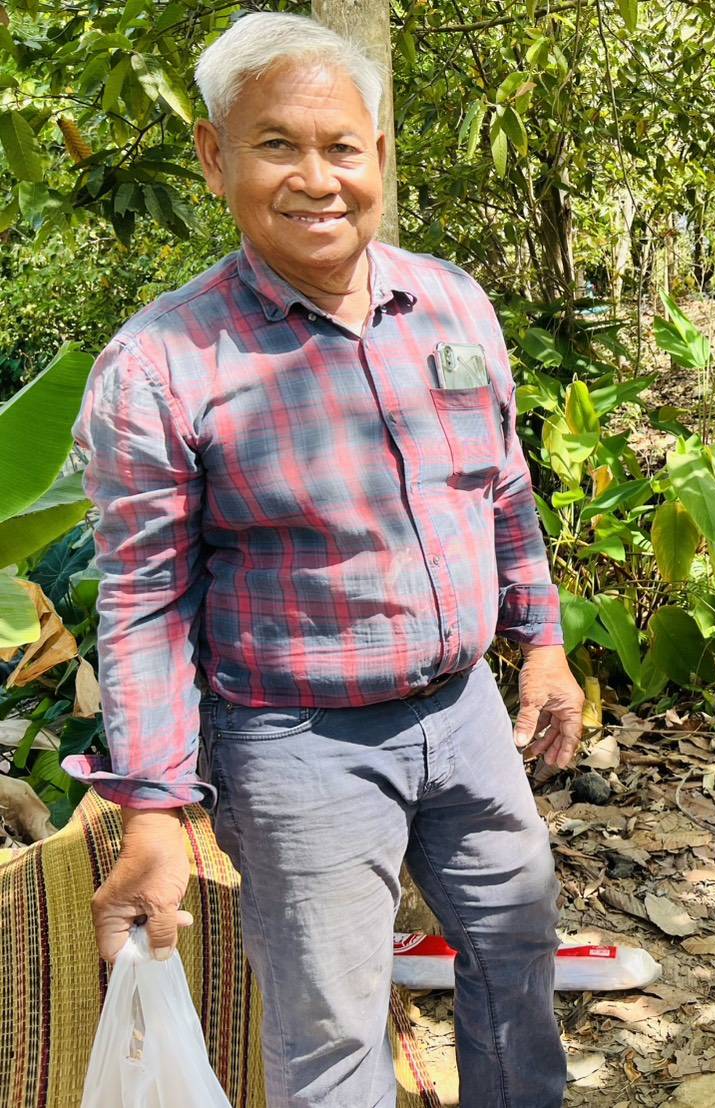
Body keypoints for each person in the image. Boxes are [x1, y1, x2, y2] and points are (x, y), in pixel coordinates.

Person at [64, 13, 580, 1107]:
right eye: (275, 146)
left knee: (516, 970)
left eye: (342, 147)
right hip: (298, 747)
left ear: (379, 156)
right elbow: (145, 603)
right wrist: (155, 809)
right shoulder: (163, 364)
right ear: (215, 157)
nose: (317, 179)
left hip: (465, 714)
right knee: (335, 1042)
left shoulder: (450, 301)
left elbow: (501, 487)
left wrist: (542, 646)